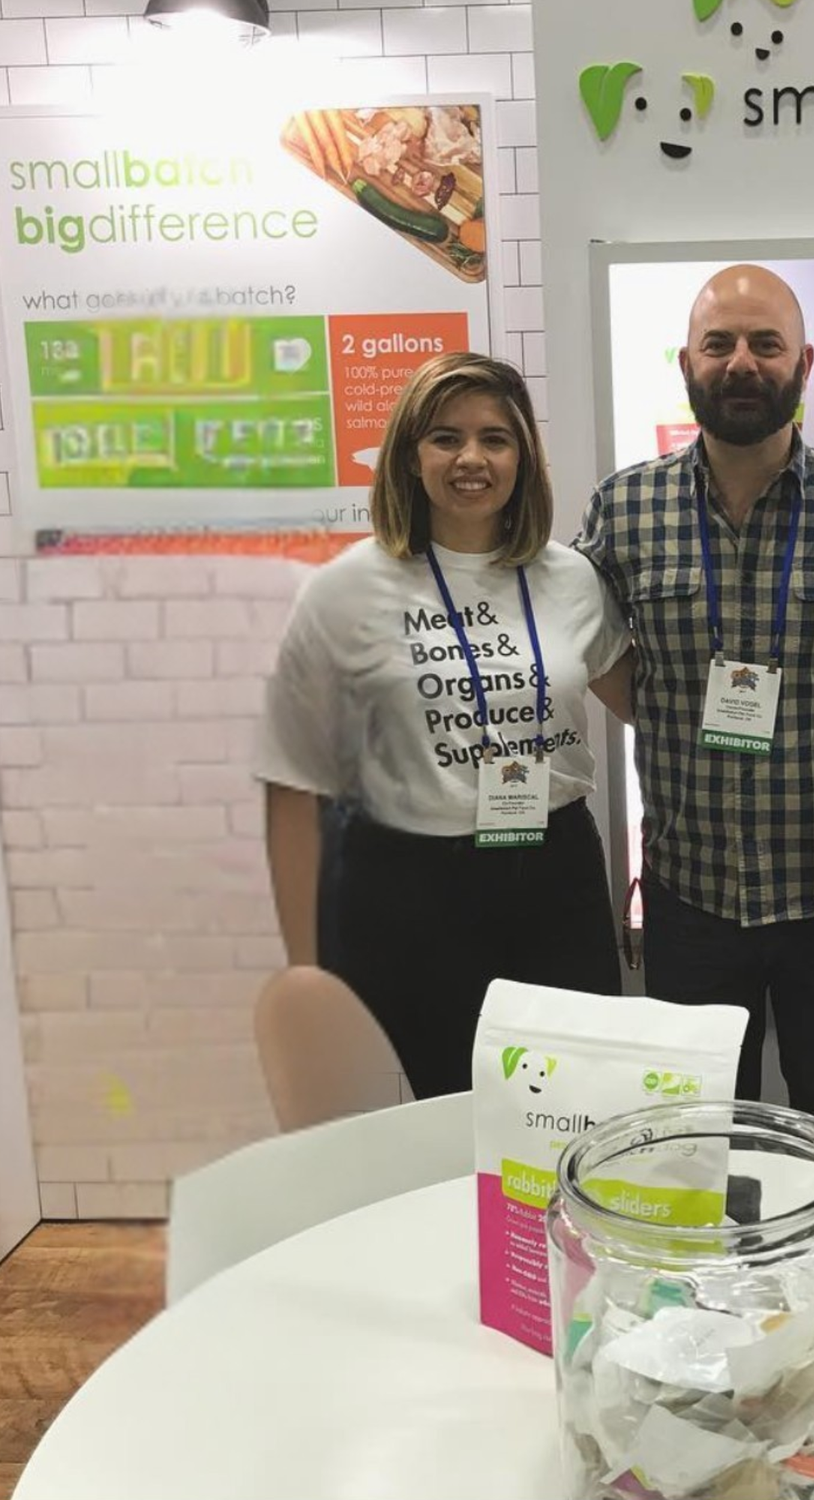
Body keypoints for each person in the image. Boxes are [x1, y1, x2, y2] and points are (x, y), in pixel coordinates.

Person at [576, 265, 814, 1140]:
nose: (742, 363)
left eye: (767, 343)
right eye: (718, 344)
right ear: (685, 361)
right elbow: (584, 639)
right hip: (692, 901)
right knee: (691, 1140)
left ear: (804, 364)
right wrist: (666, 718)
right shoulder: (624, 507)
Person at [256, 352, 634, 1099]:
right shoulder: (345, 589)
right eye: (445, 438)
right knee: (452, 1108)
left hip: (554, 870)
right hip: (412, 887)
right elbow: (291, 783)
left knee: (574, 1103)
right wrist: (304, 970)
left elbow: (646, 707)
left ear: (523, 456)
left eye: (495, 438)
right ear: (409, 455)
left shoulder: (570, 578)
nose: (472, 458)